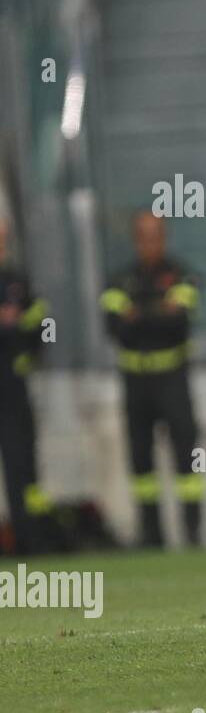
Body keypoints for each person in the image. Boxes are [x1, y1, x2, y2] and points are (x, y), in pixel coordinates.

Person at [100, 212, 205, 548]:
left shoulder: (182, 274)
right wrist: (159, 311)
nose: (151, 243)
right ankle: (152, 536)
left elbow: (179, 323)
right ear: (136, 239)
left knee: (187, 454)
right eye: (144, 236)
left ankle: (192, 532)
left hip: (173, 377)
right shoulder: (119, 280)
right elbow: (116, 327)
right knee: (141, 460)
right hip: (135, 380)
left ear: (165, 237)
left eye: (156, 235)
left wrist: (139, 315)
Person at [0, 218, 52, 554]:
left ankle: (31, 543)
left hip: (11, 389)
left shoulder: (17, 282)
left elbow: (43, 326)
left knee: (22, 466)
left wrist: (17, 331)